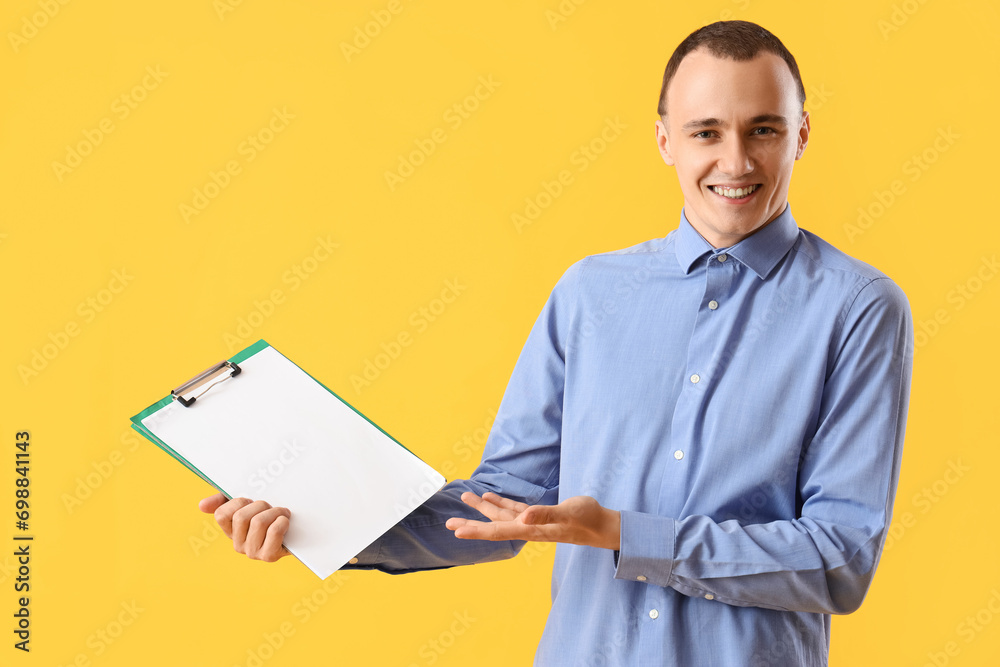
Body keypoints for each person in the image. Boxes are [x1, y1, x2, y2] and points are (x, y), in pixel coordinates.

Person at [200, 20, 913, 666]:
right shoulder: (590, 295)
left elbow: (838, 559)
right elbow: (505, 507)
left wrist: (627, 534)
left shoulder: (857, 308)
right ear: (665, 140)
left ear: (802, 134)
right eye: (706, 132)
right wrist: (323, 522)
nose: (736, 161)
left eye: (763, 129)